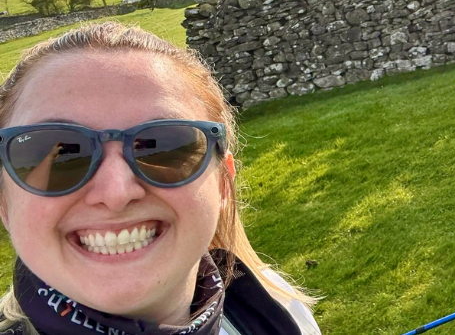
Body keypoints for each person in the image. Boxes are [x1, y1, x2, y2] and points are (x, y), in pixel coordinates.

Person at [0, 22, 321, 334]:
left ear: (223, 184)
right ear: (4, 201)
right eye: (63, 156)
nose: (116, 192)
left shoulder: (279, 312)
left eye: (164, 148)